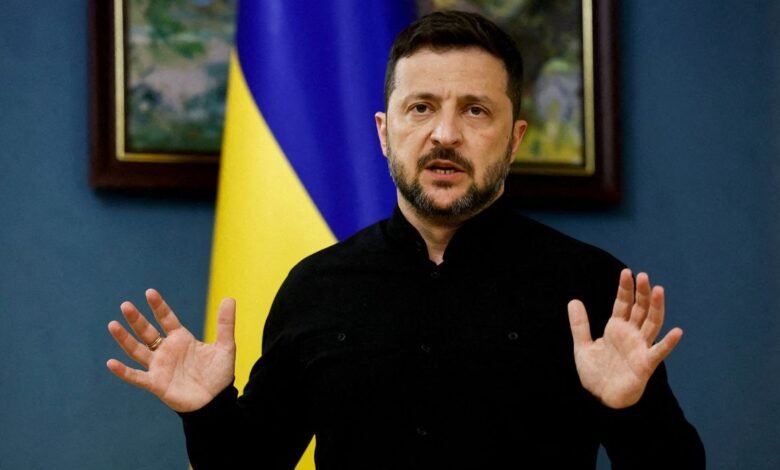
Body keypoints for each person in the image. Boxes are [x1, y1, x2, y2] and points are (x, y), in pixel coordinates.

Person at [107, 10, 705, 469]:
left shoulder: (590, 286)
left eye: (475, 111)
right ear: (384, 131)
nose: (445, 134)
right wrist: (206, 411)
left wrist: (631, 409)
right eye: (421, 108)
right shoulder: (315, 287)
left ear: (515, 138)